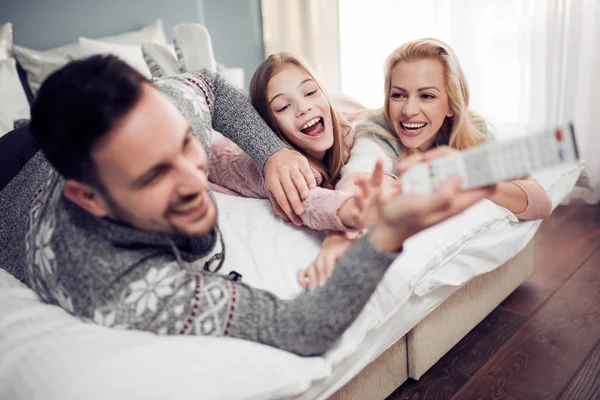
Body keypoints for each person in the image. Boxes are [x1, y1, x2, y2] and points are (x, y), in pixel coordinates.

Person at [15, 55, 493, 357]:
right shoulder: (113, 282)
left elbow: (209, 82)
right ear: (90, 198)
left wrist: (274, 154)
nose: (193, 181)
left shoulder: (170, 109)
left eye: (186, 146)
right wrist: (386, 236)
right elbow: (300, 328)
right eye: (155, 174)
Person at [207, 52, 377, 288]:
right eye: (284, 106)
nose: (303, 108)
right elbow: (306, 201)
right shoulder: (281, 170)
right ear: (270, 127)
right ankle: (198, 70)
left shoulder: (346, 135)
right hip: (218, 154)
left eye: (310, 92)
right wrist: (350, 212)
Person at [340, 38, 552, 220]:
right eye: (398, 95)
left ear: (451, 104)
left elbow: (540, 202)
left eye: (427, 96)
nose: (408, 110)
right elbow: (355, 181)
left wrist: (471, 180)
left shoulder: (473, 133)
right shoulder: (375, 135)